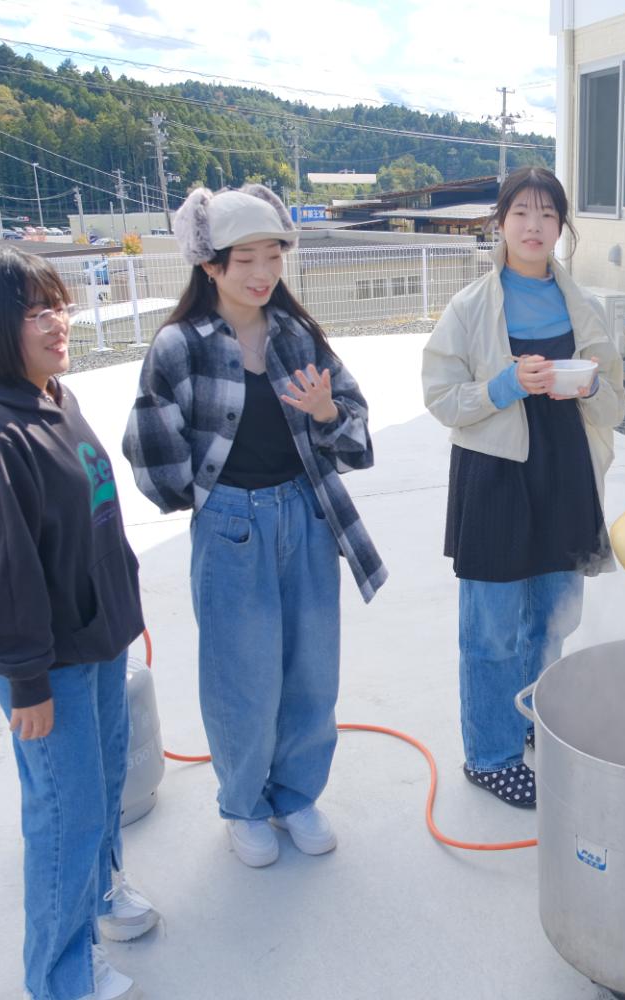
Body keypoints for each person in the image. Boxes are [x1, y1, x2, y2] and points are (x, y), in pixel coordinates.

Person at [0, 244, 154, 1000]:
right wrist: (26, 681)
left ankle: (99, 896)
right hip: (51, 661)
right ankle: (60, 976)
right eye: (36, 312)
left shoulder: (46, 393)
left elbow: (22, 523)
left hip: (95, 630)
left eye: (60, 305)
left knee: (102, 788)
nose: (58, 323)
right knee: (65, 815)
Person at [124, 185, 386, 867]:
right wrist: (203, 498)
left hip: (306, 512)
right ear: (210, 264)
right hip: (231, 525)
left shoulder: (297, 335)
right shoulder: (179, 346)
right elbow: (150, 448)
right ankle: (243, 805)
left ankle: (295, 796)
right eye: (246, 259)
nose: (263, 272)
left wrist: (327, 415)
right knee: (242, 677)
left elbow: (356, 428)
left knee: (311, 670)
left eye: (274, 255)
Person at [422, 166, 625, 808]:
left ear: (562, 227)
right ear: (500, 222)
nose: (534, 226)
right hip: (495, 478)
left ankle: (538, 720)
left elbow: (616, 404)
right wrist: (506, 385)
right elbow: (441, 397)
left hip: (564, 473)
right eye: (521, 213)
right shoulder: (470, 307)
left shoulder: (584, 306)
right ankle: (491, 755)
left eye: (547, 214)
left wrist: (591, 385)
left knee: (553, 617)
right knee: (491, 628)